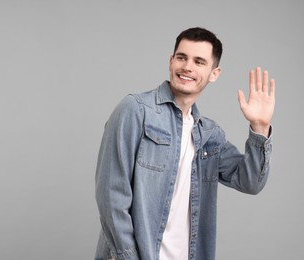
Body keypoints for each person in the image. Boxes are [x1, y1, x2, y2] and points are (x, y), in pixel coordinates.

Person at [94, 27, 275, 260]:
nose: (187, 67)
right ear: (171, 61)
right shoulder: (136, 110)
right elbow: (111, 197)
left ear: (214, 73)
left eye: (199, 61)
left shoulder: (209, 134)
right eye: (182, 57)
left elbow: (250, 182)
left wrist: (259, 127)